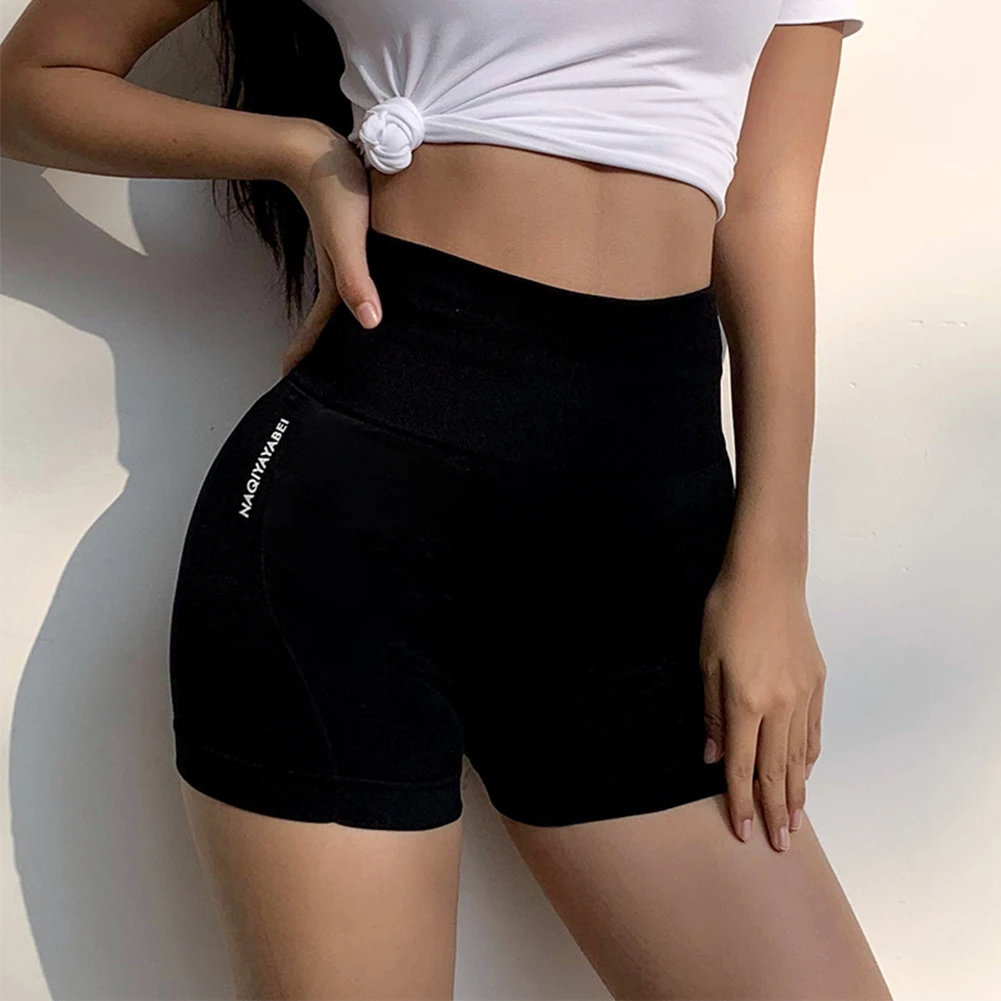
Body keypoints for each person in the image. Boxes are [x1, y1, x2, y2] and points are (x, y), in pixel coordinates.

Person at [0, 1, 894, 998]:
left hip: (648, 555)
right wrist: (301, 153)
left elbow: (767, 210)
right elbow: (34, 80)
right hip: (350, 536)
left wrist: (770, 571)